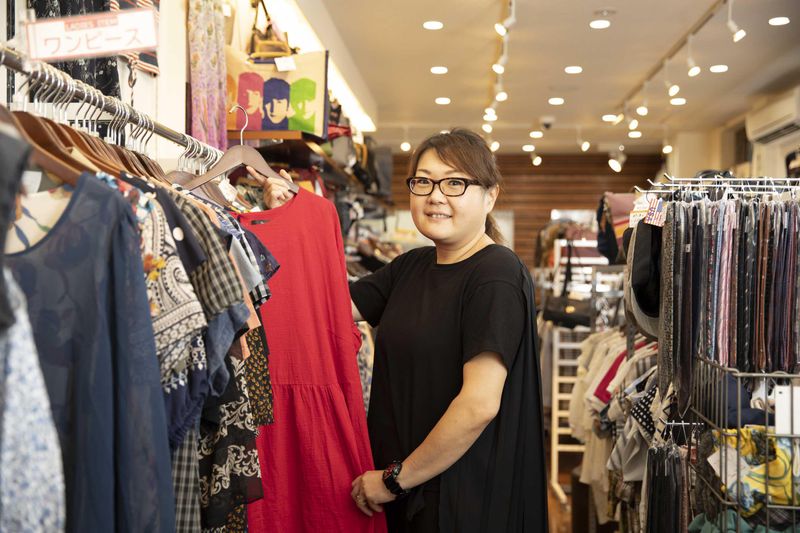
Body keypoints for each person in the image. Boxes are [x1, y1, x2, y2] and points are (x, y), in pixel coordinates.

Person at [251, 128, 548, 533]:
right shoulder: (412, 266)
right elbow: (322, 305)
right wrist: (290, 223)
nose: (435, 196)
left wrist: (395, 479)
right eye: (423, 182)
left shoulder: (496, 273)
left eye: (454, 183)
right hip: (405, 493)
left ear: (490, 196)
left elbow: (479, 404)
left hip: (460, 500)